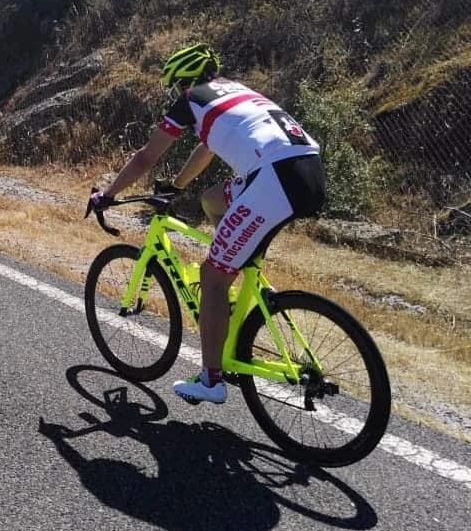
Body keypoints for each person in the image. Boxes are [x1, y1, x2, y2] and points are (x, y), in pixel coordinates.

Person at [90, 43, 326, 404]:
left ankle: (211, 381)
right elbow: (207, 149)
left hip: (273, 178)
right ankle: (237, 282)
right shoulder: (237, 92)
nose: (176, 93)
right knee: (212, 200)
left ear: (183, 81)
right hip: (306, 169)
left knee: (212, 275)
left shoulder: (191, 99)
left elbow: (146, 157)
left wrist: (108, 194)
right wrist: (176, 186)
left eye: (175, 86)